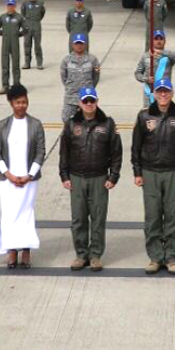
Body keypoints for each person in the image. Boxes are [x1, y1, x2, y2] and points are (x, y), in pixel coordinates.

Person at [132, 79, 175, 274]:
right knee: (152, 216)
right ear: (154, 93)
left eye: (166, 91)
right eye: (159, 91)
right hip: (150, 172)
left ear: (172, 93)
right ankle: (154, 257)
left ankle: (170, 257)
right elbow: (136, 146)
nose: (163, 95)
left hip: (173, 172)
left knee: (172, 216)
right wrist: (137, 172)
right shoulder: (144, 116)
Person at [58, 87, 121, 272]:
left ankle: (95, 255)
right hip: (77, 178)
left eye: (91, 101)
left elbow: (116, 152)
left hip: (99, 178)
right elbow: (64, 152)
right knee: (78, 218)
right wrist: (64, 175)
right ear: (79, 103)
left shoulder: (107, 124)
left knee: (98, 218)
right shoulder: (71, 124)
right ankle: (81, 254)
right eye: (85, 101)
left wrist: (113, 176)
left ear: (97, 101)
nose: (89, 104)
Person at [0, 84, 46, 269]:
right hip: (8, 180)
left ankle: (26, 250)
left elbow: (40, 152)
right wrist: (8, 174)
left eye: (24, 102)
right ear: (11, 103)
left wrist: (29, 175)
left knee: (25, 212)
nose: (21, 106)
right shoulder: (3, 125)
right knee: (9, 213)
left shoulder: (36, 124)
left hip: (28, 179)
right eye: (17, 102)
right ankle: (12, 250)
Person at [59, 33, 101, 122]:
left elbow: (96, 77)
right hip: (71, 97)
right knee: (67, 120)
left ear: (85, 44)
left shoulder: (92, 60)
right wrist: (71, 87)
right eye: (77, 43)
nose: (79, 46)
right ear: (73, 44)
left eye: (81, 43)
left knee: (89, 121)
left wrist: (89, 87)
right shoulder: (66, 60)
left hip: (87, 98)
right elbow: (64, 77)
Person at [135, 30, 175, 103]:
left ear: (165, 41)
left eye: (161, 39)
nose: (159, 41)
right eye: (156, 39)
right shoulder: (145, 56)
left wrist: (160, 52)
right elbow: (137, 73)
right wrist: (146, 79)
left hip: (164, 92)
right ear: (152, 41)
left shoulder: (168, 57)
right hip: (149, 91)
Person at [0, 0, 25, 94]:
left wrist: (17, 34)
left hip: (15, 44)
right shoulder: (2, 17)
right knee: (5, 65)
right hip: (5, 44)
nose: (10, 7)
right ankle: (5, 85)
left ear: (15, 6)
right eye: (8, 5)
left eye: (12, 5)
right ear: (6, 6)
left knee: (15, 65)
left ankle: (16, 85)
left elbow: (26, 29)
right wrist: (4, 34)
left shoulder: (19, 17)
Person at [21, 0, 46, 69]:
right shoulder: (25, 3)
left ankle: (39, 63)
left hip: (36, 26)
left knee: (37, 45)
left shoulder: (40, 3)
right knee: (27, 45)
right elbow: (23, 13)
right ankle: (27, 63)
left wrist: (37, 20)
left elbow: (42, 13)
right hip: (28, 26)